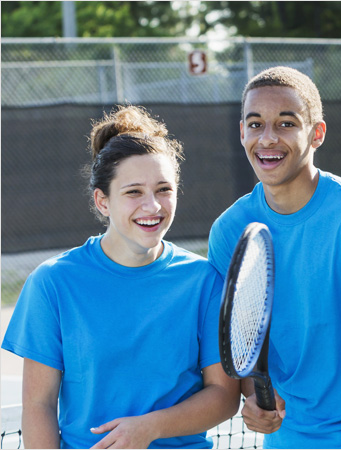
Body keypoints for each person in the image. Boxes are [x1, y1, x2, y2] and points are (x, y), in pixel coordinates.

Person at [0, 105, 240, 449]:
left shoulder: (204, 282)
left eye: (163, 189)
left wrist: (150, 428)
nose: (153, 206)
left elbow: (223, 396)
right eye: (133, 192)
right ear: (102, 201)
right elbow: (38, 405)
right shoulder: (52, 283)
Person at [207, 66, 341, 449]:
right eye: (255, 125)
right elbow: (242, 344)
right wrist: (254, 398)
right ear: (241, 132)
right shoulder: (228, 231)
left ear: (316, 133)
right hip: (287, 434)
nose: (267, 138)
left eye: (286, 123)